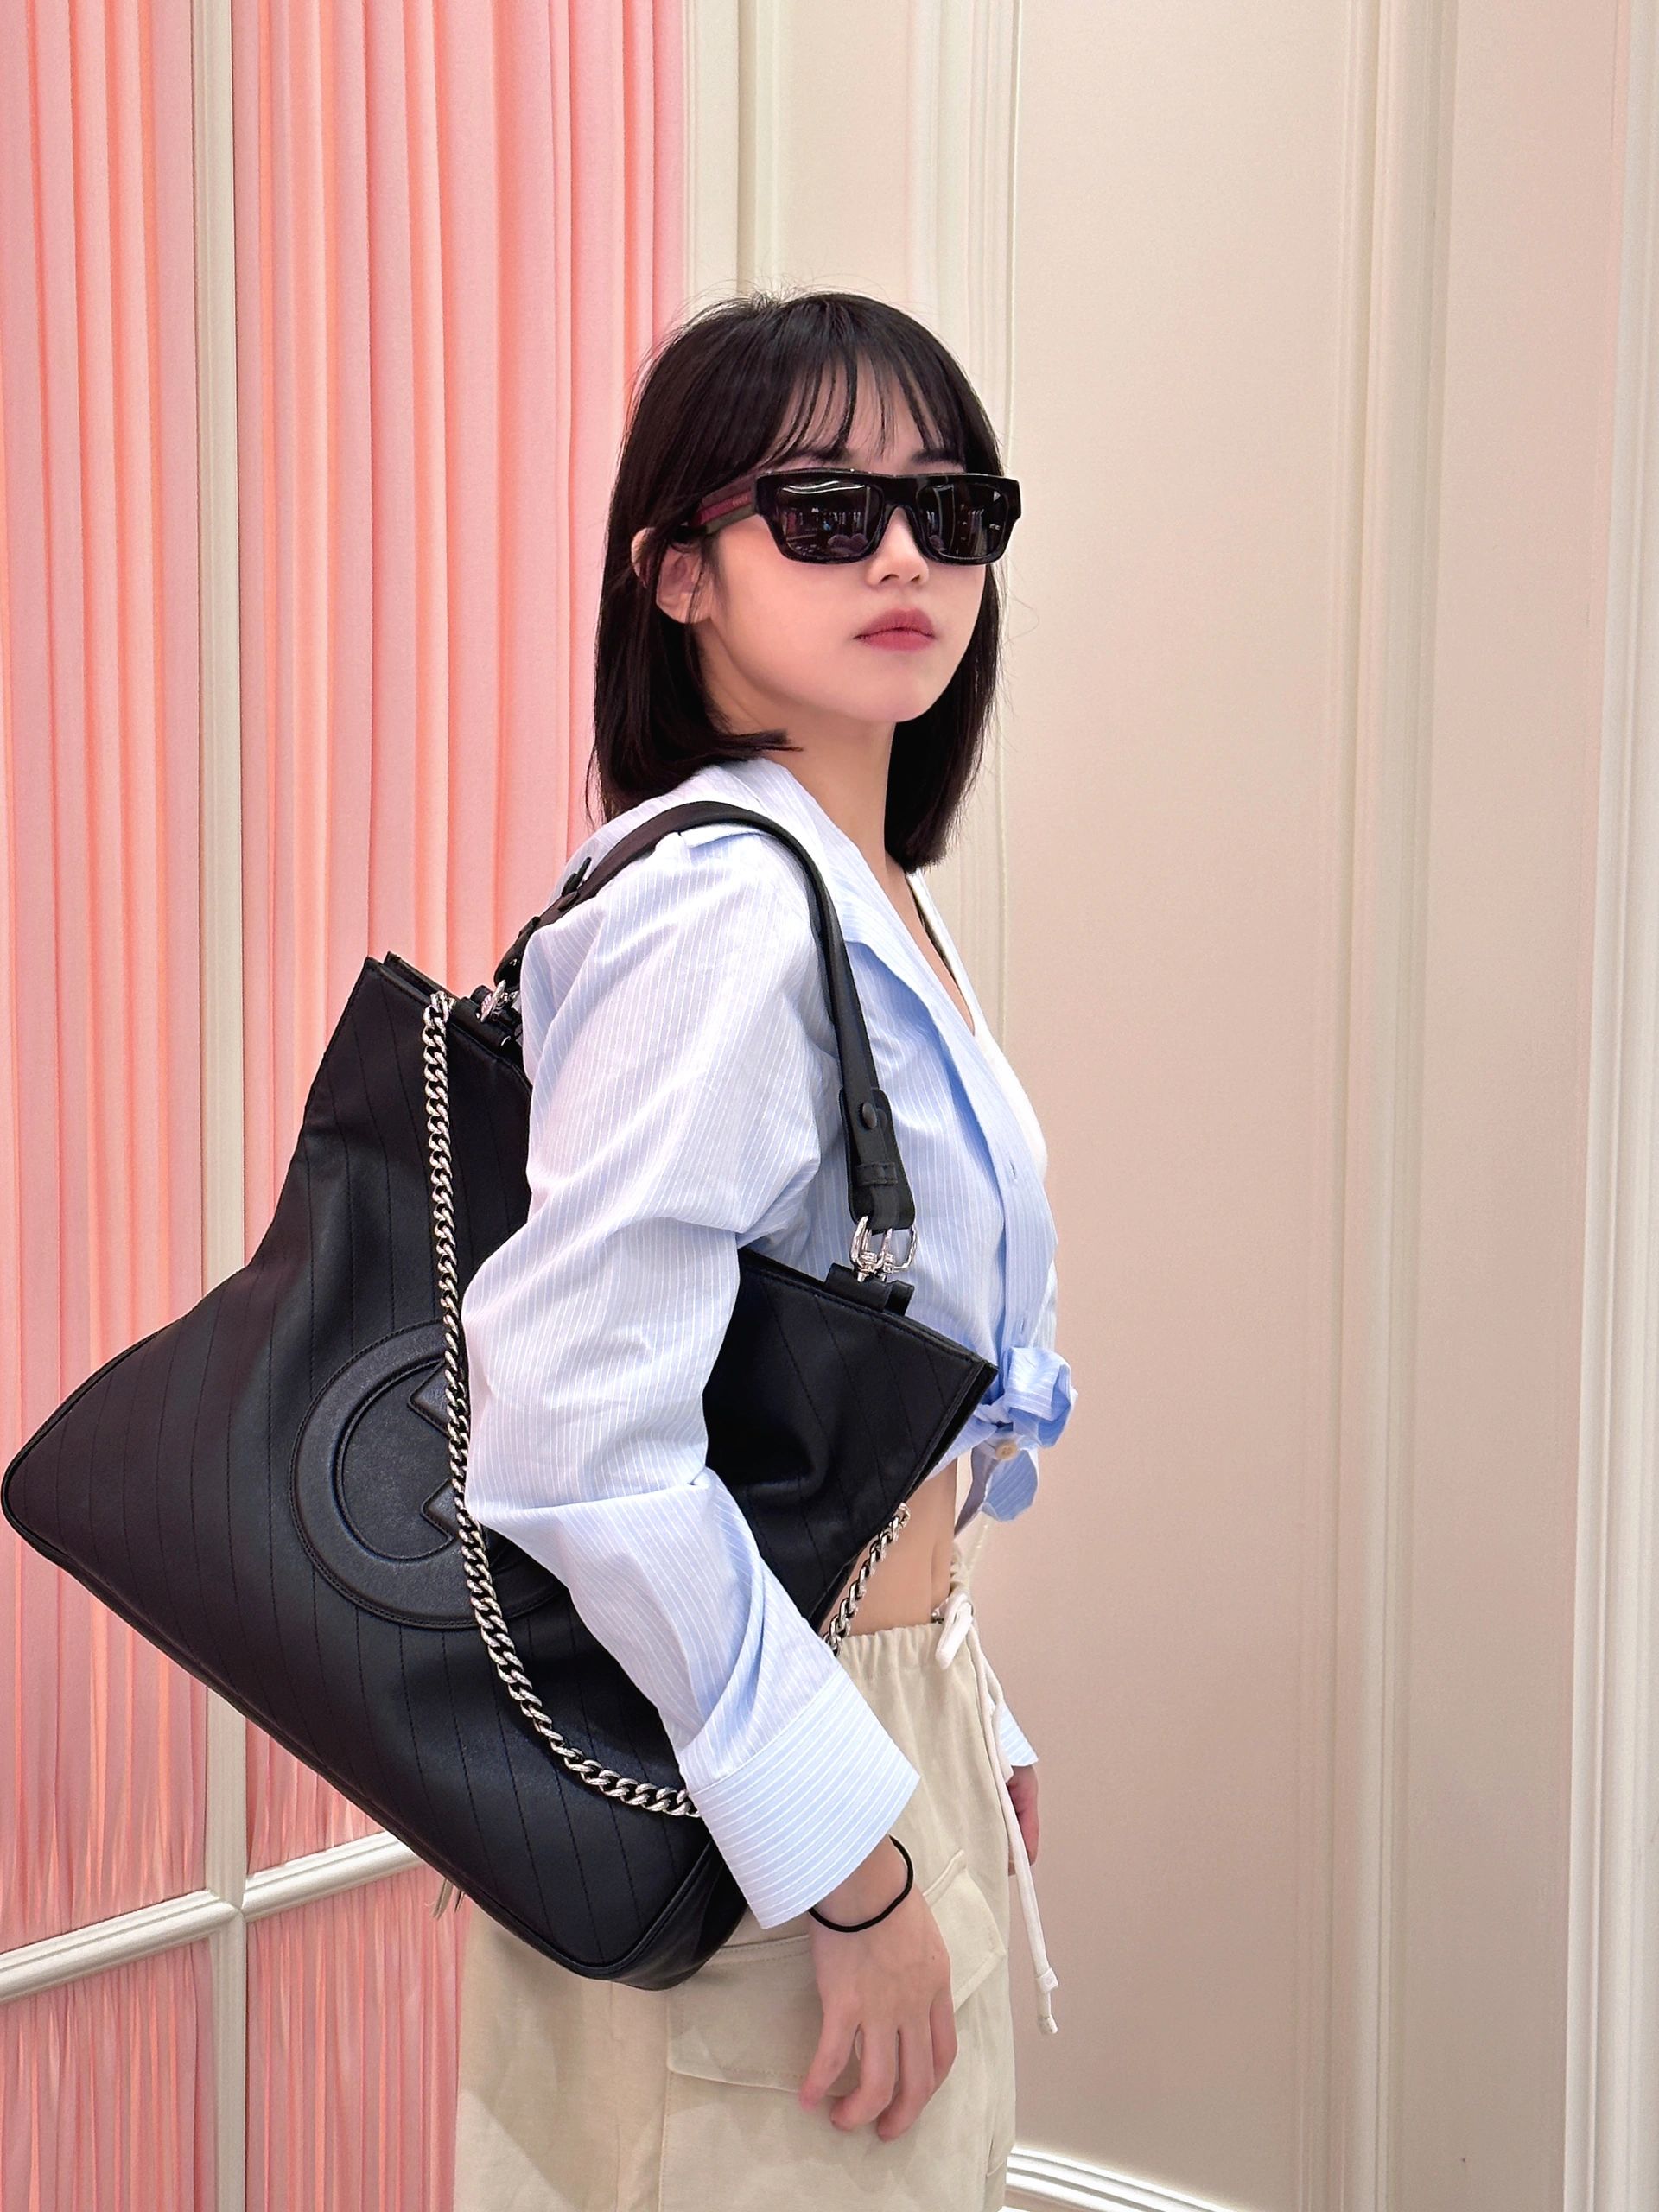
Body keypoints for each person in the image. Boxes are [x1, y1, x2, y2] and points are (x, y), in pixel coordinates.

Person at [450, 289, 1077, 2212]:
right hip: (759, 1787)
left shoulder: (852, 884)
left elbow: (821, 1390)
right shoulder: (726, 907)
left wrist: (959, 1708)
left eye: (951, 510)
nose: (902, 557)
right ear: (679, 574)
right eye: (824, 510)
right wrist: (851, 1861)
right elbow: (581, 1433)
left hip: (845, 1719)